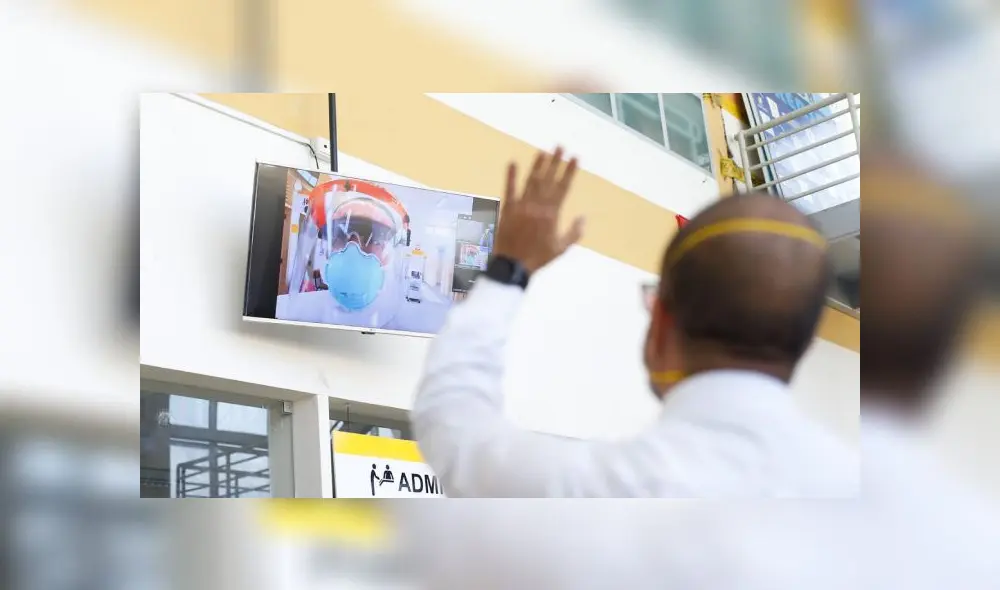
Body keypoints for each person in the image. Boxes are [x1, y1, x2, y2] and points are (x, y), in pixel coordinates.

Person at [411, 146, 857, 498]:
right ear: (803, 341)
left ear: (661, 322)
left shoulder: (596, 491)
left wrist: (508, 269)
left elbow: (454, 425)